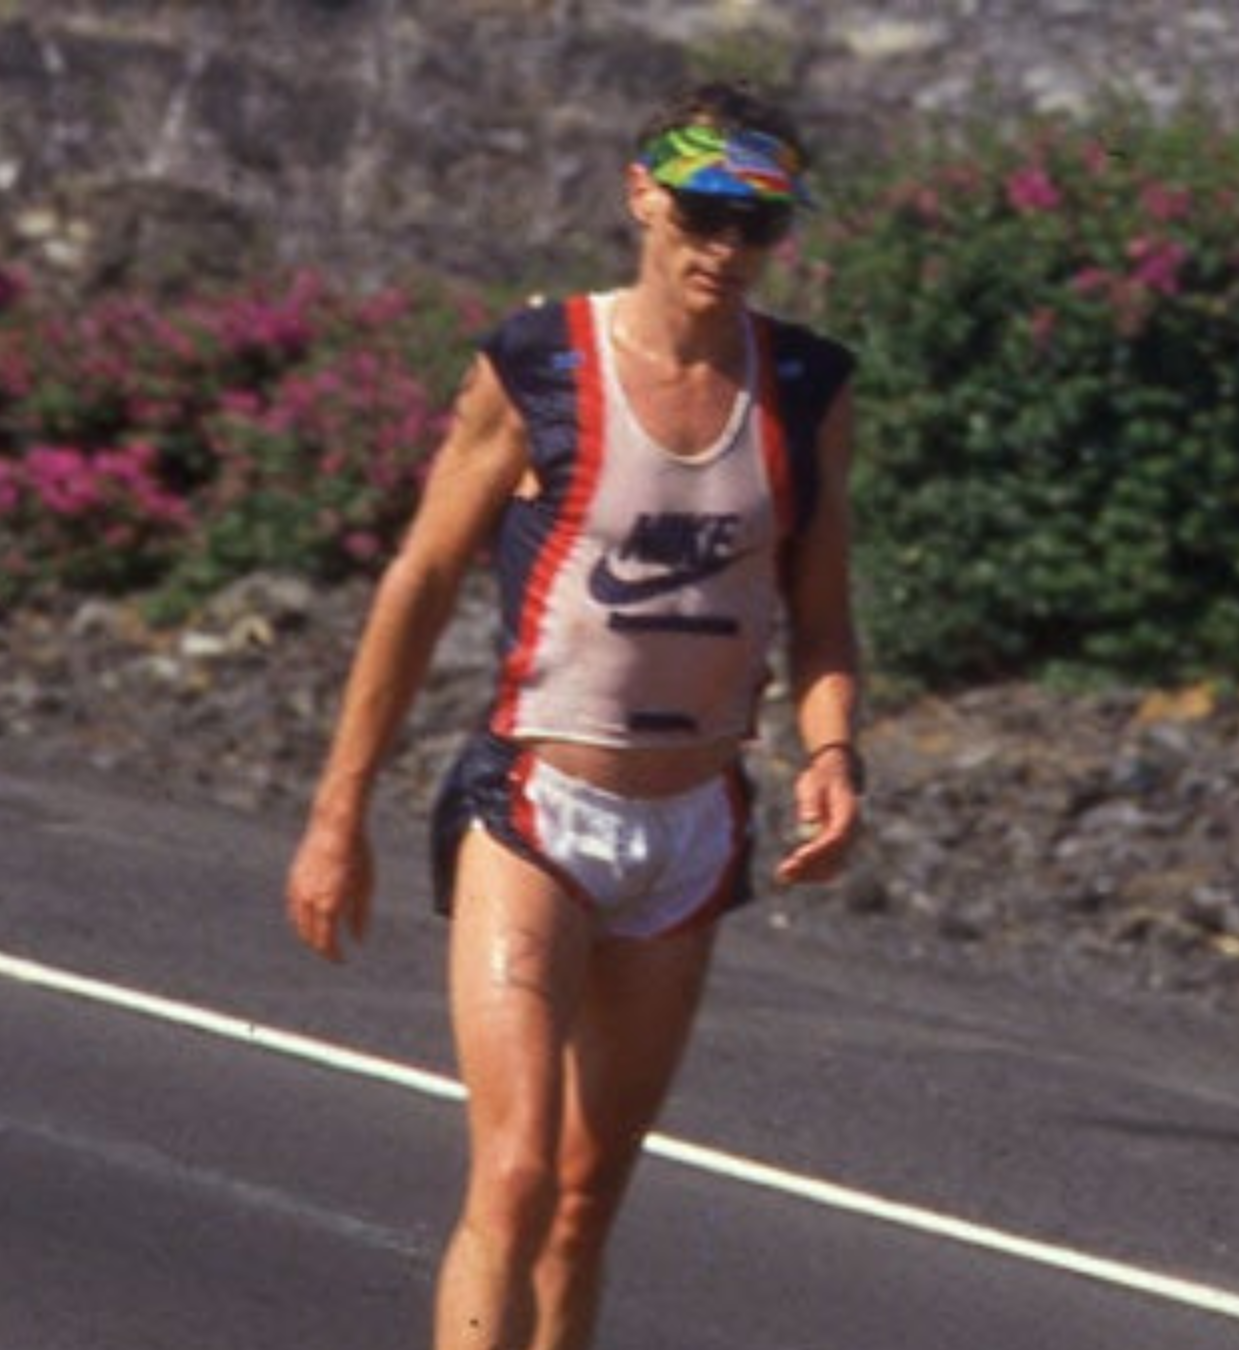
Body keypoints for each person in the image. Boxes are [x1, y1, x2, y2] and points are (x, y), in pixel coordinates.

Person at [284, 80, 864, 1350]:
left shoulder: (807, 387)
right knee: (516, 1171)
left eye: (756, 226)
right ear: (642, 195)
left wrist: (833, 750)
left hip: (696, 824)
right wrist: (340, 815)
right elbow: (422, 577)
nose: (724, 247)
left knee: (589, 1196)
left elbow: (821, 616)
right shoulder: (542, 359)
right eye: (704, 212)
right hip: (534, 807)